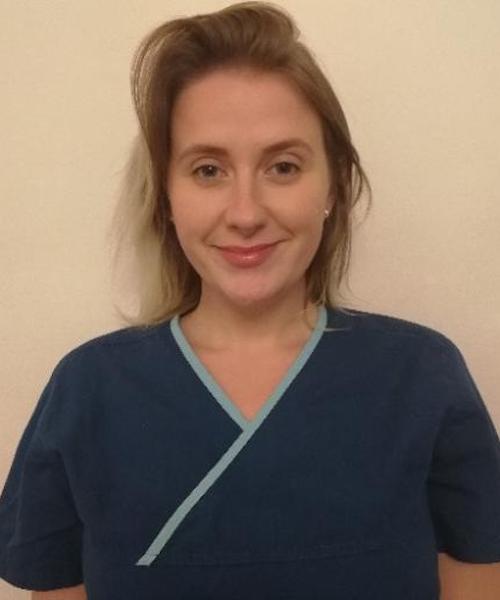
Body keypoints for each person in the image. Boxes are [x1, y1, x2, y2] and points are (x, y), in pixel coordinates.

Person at [1, 2, 500, 599]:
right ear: (166, 196)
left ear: (333, 185)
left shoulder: (421, 378)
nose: (245, 213)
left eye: (283, 167)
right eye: (208, 170)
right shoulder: (88, 392)